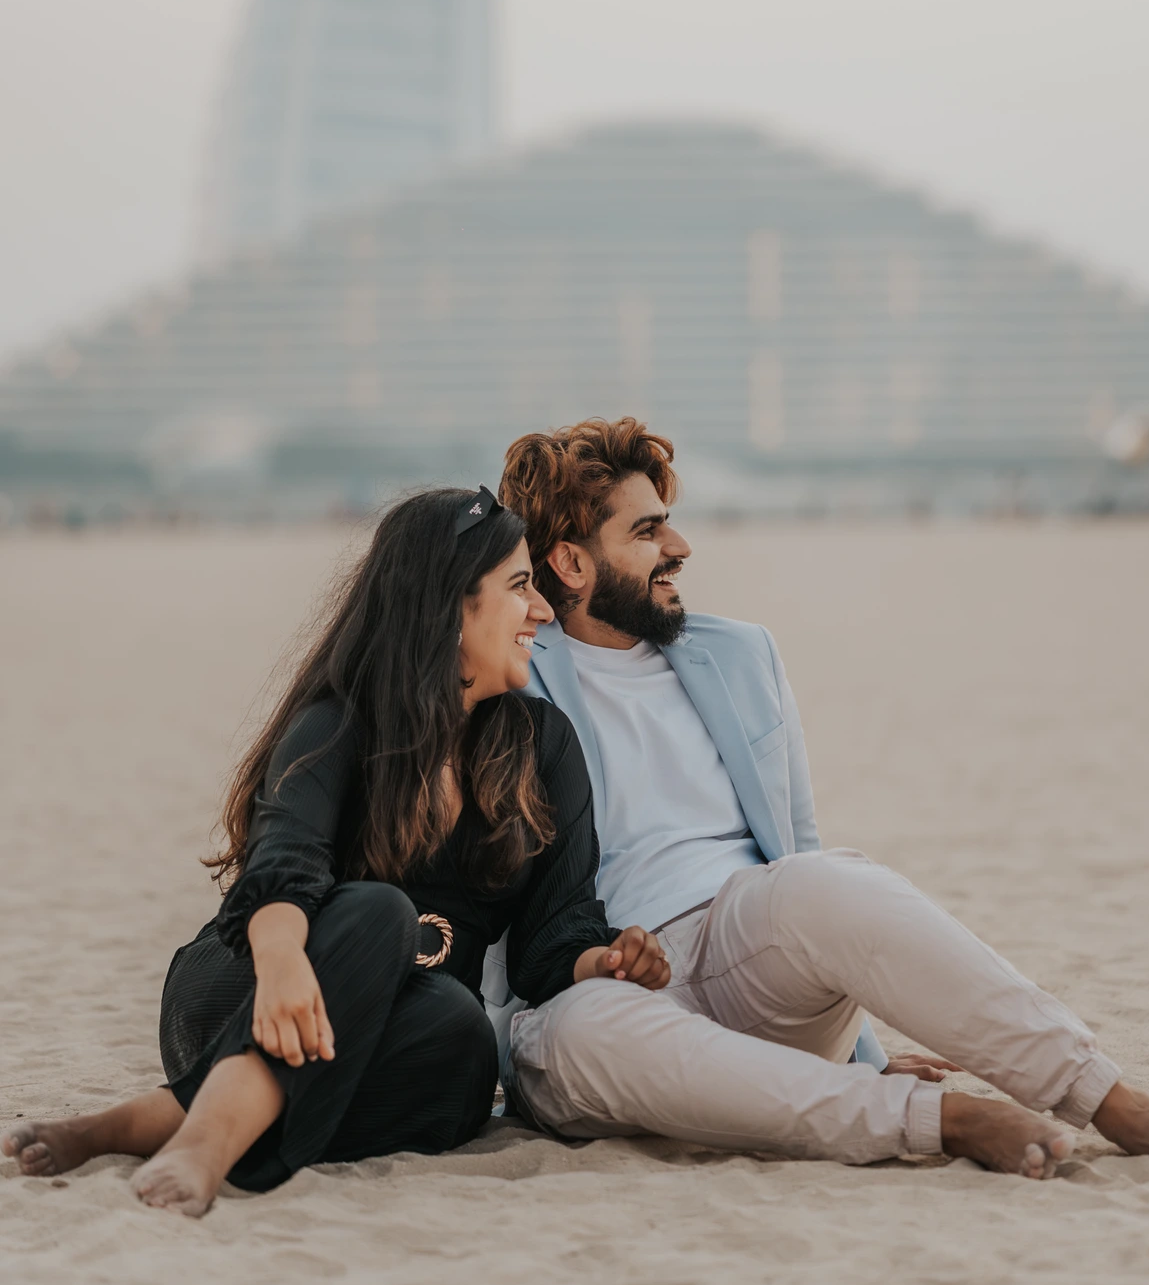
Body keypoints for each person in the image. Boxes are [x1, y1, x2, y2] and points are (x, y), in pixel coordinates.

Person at [489, 418, 1149, 1180]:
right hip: (601, 991)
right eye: (649, 532)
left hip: (753, 961)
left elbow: (796, 843)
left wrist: (867, 1047)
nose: (681, 549)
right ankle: (941, 1121)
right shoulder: (513, 675)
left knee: (824, 880)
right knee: (574, 1038)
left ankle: (1112, 1102)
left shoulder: (738, 655)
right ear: (571, 563)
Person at [3, 486, 667, 1215]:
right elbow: (282, 865)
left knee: (463, 1039)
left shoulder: (542, 747)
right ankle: (205, 1144)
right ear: (450, 606)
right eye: (518, 588)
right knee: (382, 913)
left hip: (402, 1031)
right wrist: (286, 962)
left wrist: (602, 958)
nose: (542, 610)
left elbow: (552, 938)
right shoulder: (339, 723)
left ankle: (141, 1123)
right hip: (252, 993)